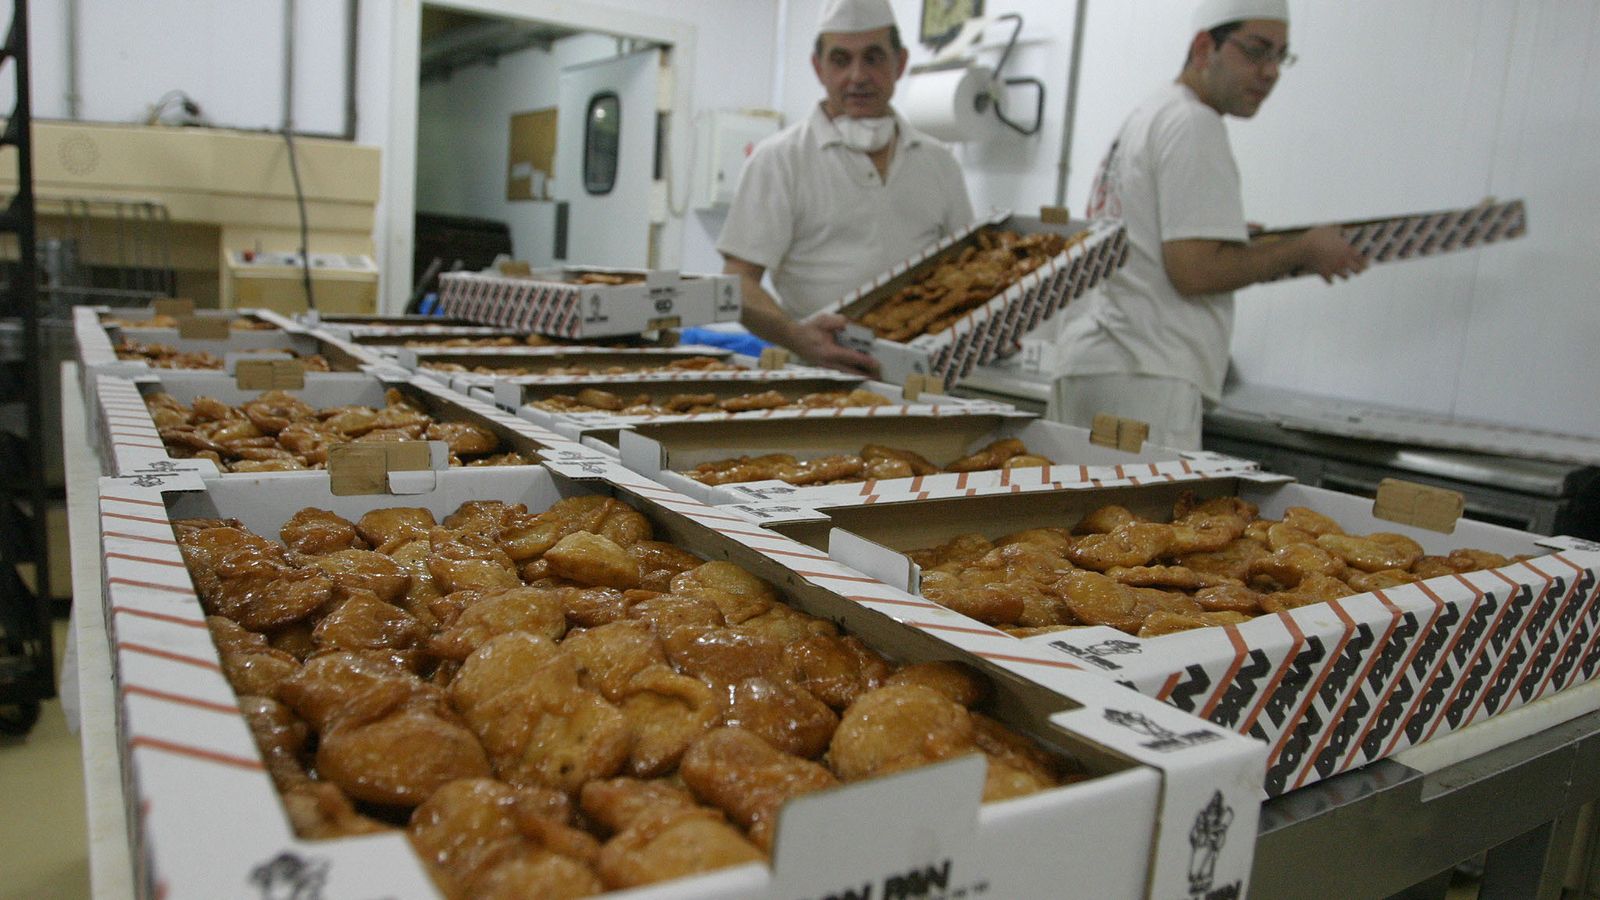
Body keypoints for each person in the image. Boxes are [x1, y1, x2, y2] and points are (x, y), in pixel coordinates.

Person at [1052, 0, 1367, 450]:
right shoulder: (1194, 124)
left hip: (1097, 366)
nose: (1270, 72)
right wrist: (1304, 249)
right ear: (1204, 48)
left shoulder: (1151, 114)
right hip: (1146, 376)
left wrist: (1231, 237)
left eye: (1280, 56)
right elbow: (1195, 271)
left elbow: (1156, 240)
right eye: (1256, 50)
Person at [717, 0, 975, 376]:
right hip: (815, 380)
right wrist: (796, 336)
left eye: (873, 58)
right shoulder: (780, 160)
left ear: (900, 62)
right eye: (841, 60)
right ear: (818, 68)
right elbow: (736, 281)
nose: (858, 76)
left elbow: (967, 270)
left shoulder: (939, 163)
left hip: (920, 381)